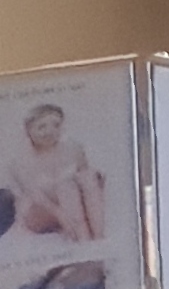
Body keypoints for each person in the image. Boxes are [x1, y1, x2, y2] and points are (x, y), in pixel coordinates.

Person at [4, 104, 106, 244]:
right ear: (28, 130)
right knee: (66, 188)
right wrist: (61, 215)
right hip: (40, 212)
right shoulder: (20, 161)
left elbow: (88, 187)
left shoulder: (73, 148)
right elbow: (35, 196)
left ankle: (99, 238)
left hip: (72, 205)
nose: (50, 131)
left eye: (56, 125)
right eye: (42, 127)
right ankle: (82, 239)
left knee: (85, 177)